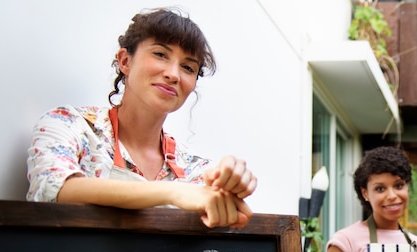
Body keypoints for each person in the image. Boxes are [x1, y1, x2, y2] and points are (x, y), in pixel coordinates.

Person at [26, 7, 257, 228]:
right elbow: (54, 188)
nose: (173, 74)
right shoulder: (69, 125)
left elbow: (225, 213)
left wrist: (230, 186)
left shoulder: (194, 170)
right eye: (160, 54)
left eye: (188, 67)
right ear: (125, 61)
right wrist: (174, 193)